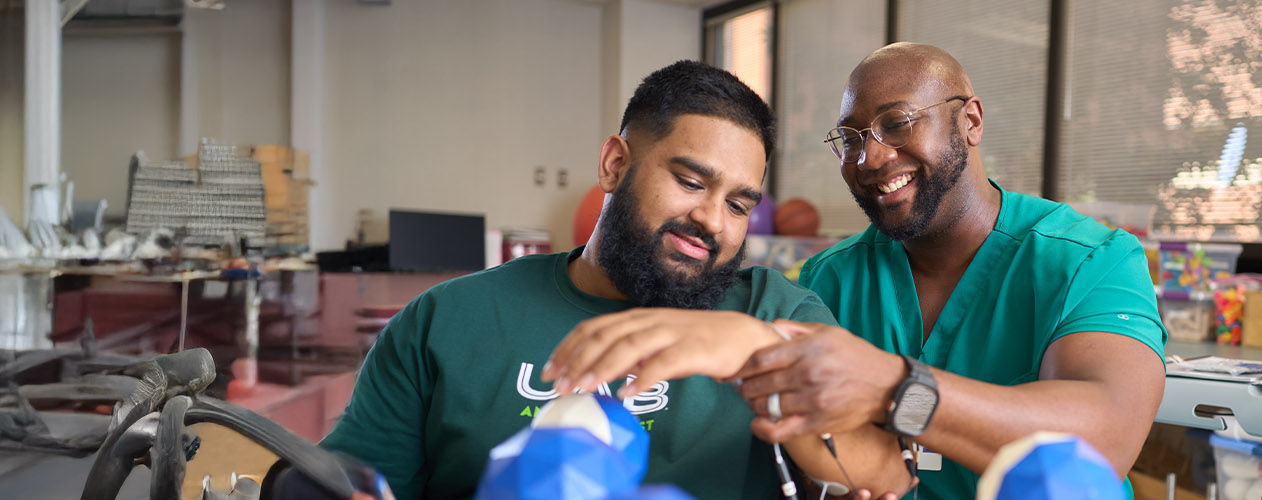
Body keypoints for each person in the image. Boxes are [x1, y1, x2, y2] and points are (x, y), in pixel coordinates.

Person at [318, 61, 896, 500]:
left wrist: (760, 355)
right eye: (691, 182)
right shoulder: (447, 320)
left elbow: (887, 472)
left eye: (739, 205)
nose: (712, 222)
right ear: (615, 164)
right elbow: (340, 481)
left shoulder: (777, 314)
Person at [725, 42, 1169, 498]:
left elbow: (1105, 441)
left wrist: (893, 388)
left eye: (896, 124)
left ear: (970, 121)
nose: (870, 159)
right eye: (852, 139)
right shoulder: (830, 278)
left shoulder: (1089, 260)